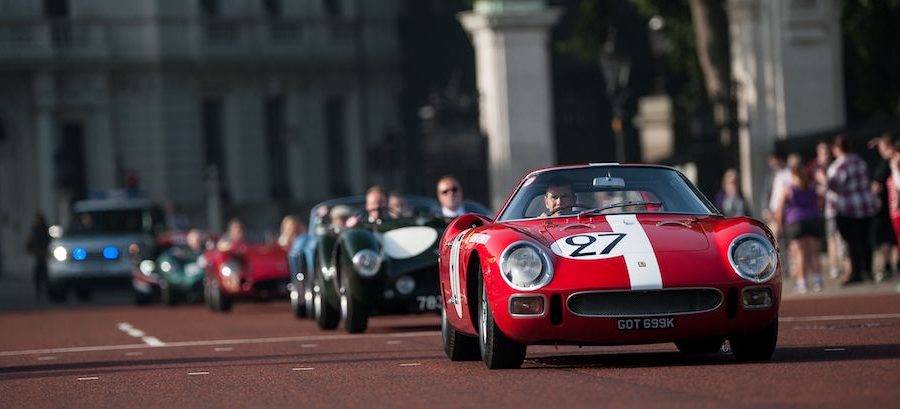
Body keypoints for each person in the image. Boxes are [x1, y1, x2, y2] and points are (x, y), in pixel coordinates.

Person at [817, 135, 878, 285]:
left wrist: (822, 178)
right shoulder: (860, 161)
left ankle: (856, 272)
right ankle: (868, 271)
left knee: (852, 241)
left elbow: (833, 185)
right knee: (865, 240)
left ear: (837, 149)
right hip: (865, 205)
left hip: (848, 207)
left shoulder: (839, 165)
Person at [775, 159, 824, 293]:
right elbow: (820, 201)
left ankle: (802, 282)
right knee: (814, 253)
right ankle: (817, 280)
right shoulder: (812, 186)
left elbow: (779, 209)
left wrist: (780, 225)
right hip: (813, 219)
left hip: (795, 221)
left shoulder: (788, 188)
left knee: (799, 254)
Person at [868, 133, 898, 282]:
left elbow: (877, 186)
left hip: (888, 206)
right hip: (892, 205)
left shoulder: (887, 163)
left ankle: (888, 266)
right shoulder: (894, 160)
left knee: (886, 236)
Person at [25, 212, 51, 299]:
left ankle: (44, 291)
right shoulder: (35, 229)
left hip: (43, 254)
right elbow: (31, 241)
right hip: (39, 254)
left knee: (42, 274)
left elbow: (48, 241)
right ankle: (40, 292)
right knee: (39, 274)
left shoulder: (43, 229)